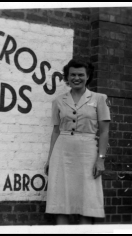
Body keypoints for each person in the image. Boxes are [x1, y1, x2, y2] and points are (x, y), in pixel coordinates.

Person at [44, 59, 110, 225]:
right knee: (60, 196)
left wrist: (101, 159)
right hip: (62, 151)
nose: (76, 78)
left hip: (87, 151)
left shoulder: (100, 99)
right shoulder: (58, 101)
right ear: (67, 77)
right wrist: (50, 158)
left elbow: (104, 131)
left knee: (87, 197)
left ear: (88, 77)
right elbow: (56, 131)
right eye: (72, 74)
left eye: (81, 74)